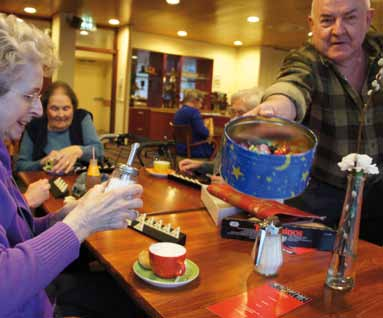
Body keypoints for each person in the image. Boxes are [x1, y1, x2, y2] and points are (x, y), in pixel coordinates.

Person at [0, 14, 144, 317]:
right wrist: (81, 223)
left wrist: (75, 213)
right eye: (29, 96)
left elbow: (20, 237)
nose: (40, 110)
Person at [246, 0, 382, 245]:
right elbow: (291, 86)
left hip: (378, 193)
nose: (338, 30)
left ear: (368, 19)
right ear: (312, 24)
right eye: (327, 20)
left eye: (349, 18)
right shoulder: (306, 59)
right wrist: (274, 110)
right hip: (319, 195)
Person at [15, 81, 104, 174]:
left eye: (66, 108)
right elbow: (21, 166)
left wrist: (78, 150)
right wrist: (42, 162)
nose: (61, 115)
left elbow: (99, 152)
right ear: (45, 109)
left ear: (73, 108)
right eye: (54, 108)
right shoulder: (34, 126)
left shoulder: (82, 118)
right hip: (43, 183)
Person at [179, 88, 263, 183]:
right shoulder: (229, 135)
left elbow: (262, 184)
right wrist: (200, 165)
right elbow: (220, 168)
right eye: (232, 112)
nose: (233, 119)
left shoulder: (264, 145)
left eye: (241, 113)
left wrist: (230, 184)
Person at [173, 89, 214, 158]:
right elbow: (205, 133)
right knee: (216, 148)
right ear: (195, 101)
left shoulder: (179, 112)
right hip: (194, 149)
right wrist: (206, 127)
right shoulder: (194, 112)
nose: (201, 106)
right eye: (201, 102)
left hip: (180, 148)